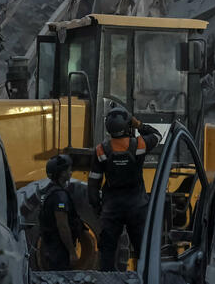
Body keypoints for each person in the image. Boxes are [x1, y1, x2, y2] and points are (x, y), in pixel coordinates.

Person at [88, 106, 162, 271]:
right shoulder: (139, 145)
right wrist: (139, 124)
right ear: (127, 125)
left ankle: (107, 281)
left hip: (112, 207)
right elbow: (157, 135)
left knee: (107, 251)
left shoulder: (101, 150)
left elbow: (94, 182)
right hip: (137, 206)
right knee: (142, 250)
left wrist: (98, 208)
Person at [38, 154, 85, 270]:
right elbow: (62, 226)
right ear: (62, 173)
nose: (71, 172)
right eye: (69, 169)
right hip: (59, 251)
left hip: (53, 248)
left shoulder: (50, 191)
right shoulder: (60, 196)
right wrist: (72, 252)